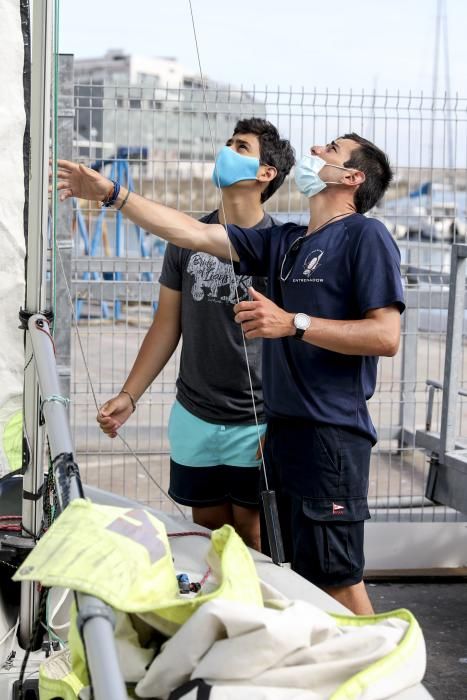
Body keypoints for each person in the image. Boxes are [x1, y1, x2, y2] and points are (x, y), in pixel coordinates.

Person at [57, 132, 404, 615]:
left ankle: (387, 684)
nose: (317, 151)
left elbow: (386, 335)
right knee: (296, 576)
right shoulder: (286, 242)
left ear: (352, 177)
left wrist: (293, 324)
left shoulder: (366, 236)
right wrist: (113, 194)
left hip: (331, 437)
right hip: (283, 435)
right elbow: (193, 234)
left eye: (331, 149)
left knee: (338, 581)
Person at [92, 118, 295, 551]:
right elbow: (167, 324)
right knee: (207, 536)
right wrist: (129, 395)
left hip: (257, 421)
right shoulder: (185, 239)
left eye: (240, 146)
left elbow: (298, 341)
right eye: (227, 142)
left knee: (253, 535)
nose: (226, 150)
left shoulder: (282, 246)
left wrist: (280, 422)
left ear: (266, 174)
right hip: (194, 417)